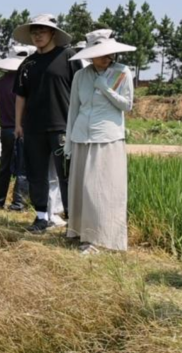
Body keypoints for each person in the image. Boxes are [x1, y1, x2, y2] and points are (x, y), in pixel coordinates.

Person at [65, 32, 135, 254]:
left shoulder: (122, 72)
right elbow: (74, 109)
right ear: (90, 55)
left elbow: (127, 105)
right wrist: (68, 141)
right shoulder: (80, 76)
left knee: (101, 190)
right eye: (101, 54)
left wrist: (105, 88)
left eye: (109, 54)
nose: (107, 58)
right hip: (81, 136)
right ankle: (80, 233)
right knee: (82, 188)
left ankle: (102, 238)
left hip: (107, 137)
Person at [12, 14, 78, 234]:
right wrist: (18, 124)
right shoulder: (27, 64)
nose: (38, 35)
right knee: (36, 174)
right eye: (34, 32)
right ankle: (41, 217)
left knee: (66, 174)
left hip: (62, 126)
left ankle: (73, 220)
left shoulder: (68, 56)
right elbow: (20, 96)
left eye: (42, 31)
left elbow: (79, 89)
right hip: (33, 127)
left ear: (53, 33)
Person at [0, 44, 35, 210]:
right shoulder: (24, 81)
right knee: (23, 167)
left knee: (4, 166)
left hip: (5, 128)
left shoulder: (0, 82)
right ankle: (18, 202)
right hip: (20, 128)